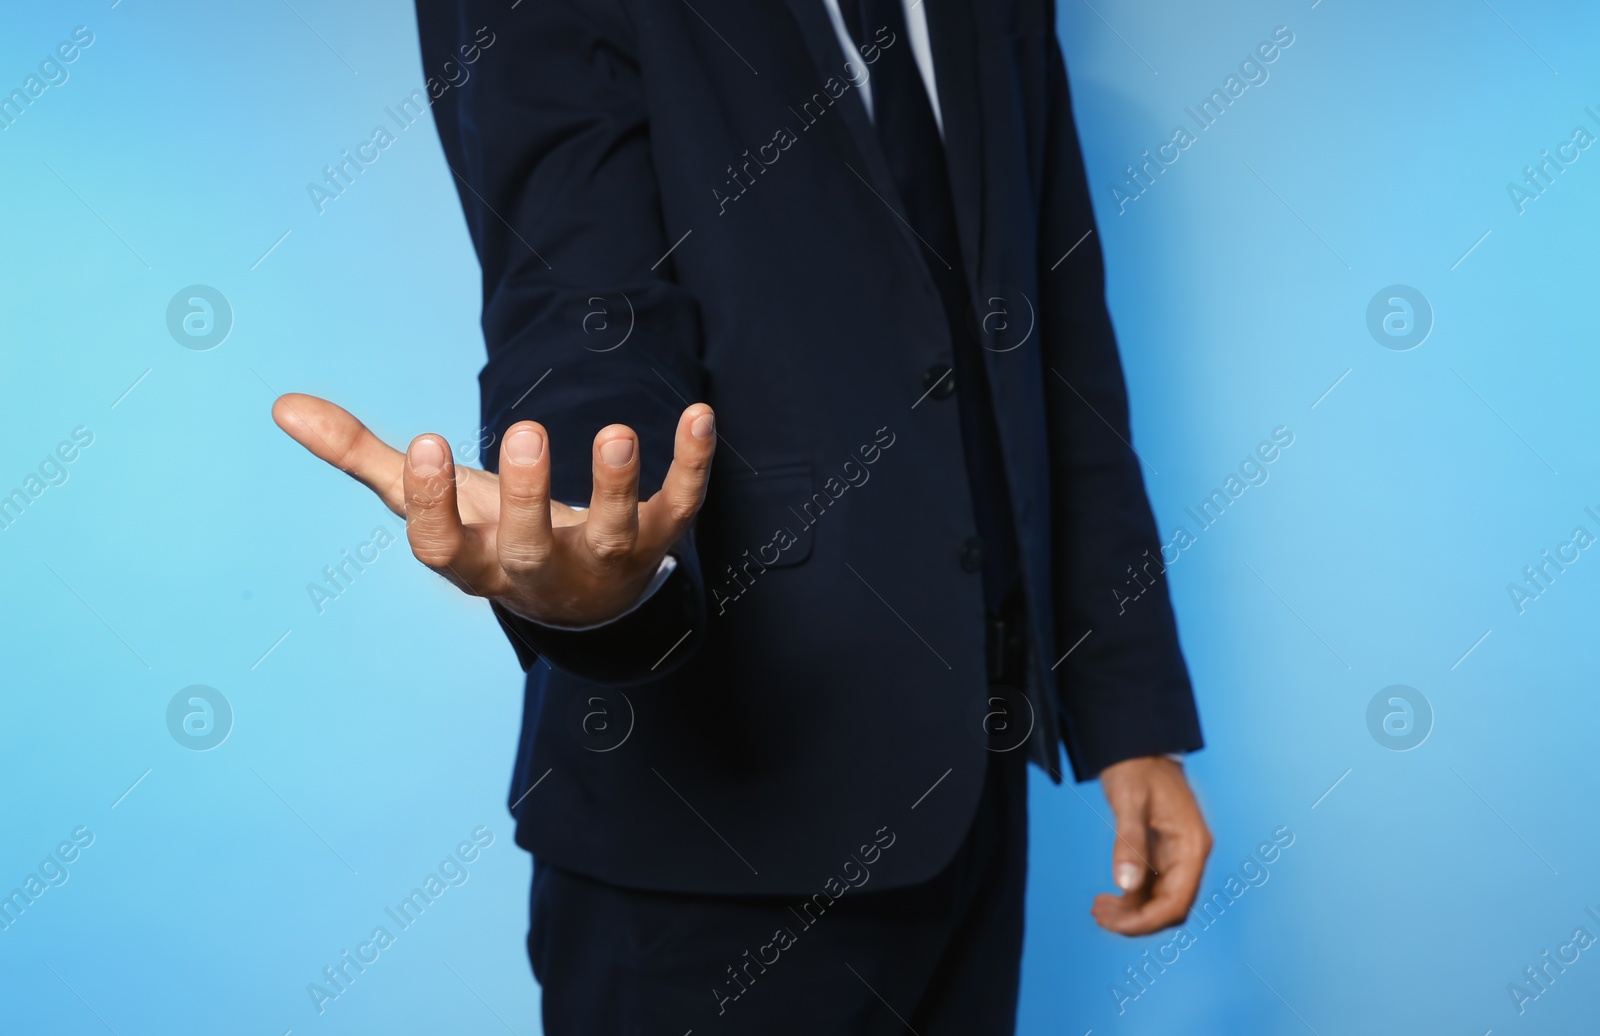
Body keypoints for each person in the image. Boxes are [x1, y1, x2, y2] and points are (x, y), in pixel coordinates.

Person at [273, 0, 1210, 1031]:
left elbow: (1054, 330)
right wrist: (601, 552)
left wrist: (1129, 717)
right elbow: (584, 306)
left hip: (977, 795)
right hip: (711, 843)